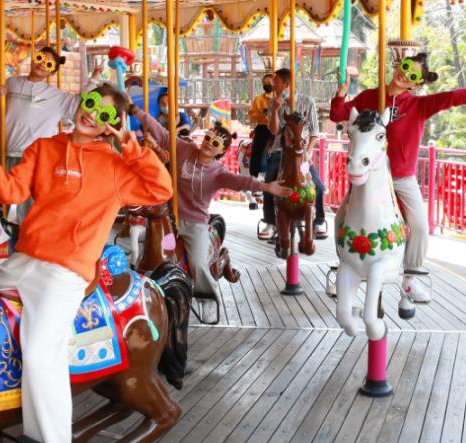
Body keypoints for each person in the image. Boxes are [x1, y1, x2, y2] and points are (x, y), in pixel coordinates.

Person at [0, 83, 172, 443]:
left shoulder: (115, 166)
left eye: (106, 115)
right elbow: (9, 191)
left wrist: (130, 144)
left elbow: (160, 189)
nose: (93, 115)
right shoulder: (45, 148)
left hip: (65, 271)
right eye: (90, 104)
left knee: (41, 351)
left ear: (113, 124)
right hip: (24, 259)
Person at [330, 52, 466, 301]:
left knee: (419, 226)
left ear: (416, 84)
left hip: (401, 179)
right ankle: (344, 267)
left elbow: (453, 97)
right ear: (398, 65)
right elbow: (338, 115)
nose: (405, 74)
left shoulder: (418, 106)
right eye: (406, 67)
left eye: (414, 75)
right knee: (340, 219)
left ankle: (410, 278)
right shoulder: (369, 97)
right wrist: (341, 94)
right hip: (371, 177)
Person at [133, 104, 291, 302]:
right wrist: (136, 112)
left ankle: (208, 296)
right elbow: (163, 134)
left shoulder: (217, 173)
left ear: (221, 150)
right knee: (149, 248)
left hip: (194, 223)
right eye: (208, 138)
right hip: (171, 219)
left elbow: (240, 181)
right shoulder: (185, 149)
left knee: (198, 263)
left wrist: (266, 186)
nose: (209, 143)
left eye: (215, 143)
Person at [0, 47, 102, 233]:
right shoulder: (12, 83)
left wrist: (93, 80)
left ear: (52, 71)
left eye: (48, 64)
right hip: (2, 150)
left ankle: (29, 236)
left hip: (30, 156)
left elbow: (79, 104)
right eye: (40, 58)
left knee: (27, 202)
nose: (42, 64)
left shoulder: (56, 96)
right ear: (34, 58)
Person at [262, 67, 326, 240]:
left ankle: (319, 220)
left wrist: (307, 153)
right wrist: (275, 110)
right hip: (280, 151)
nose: (273, 86)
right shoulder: (273, 103)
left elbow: (315, 133)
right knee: (270, 180)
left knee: (318, 185)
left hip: (301, 153)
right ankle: (270, 221)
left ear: (286, 84)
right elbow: (274, 131)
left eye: (276, 82)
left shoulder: (307, 102)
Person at [246, 73, 276, 208]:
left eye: (269, 82)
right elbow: (252, 117)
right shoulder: (258, 100)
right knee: (258, 149)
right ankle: (255, 175)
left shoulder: (280, 98)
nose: (267, 85)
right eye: (265, 83)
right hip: (264, 127)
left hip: (277, 127)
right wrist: (261, 114)